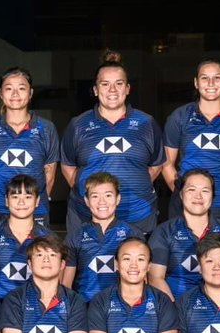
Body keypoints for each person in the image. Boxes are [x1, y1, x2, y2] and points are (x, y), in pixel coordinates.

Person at [60, 52, 164, 239]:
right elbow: (68, 166)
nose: (112, 90)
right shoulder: (78, 125)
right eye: (105, 84)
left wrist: (134, 182)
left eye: (119, 84)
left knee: (134, 268)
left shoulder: (146, 123)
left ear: (128, 88)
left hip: (137, 217)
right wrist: (92, 193)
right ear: (95, 90)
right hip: (87, 217)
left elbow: (156, 164)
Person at [162, 59, 220, 228]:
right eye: (205, 78)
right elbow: (167, 163)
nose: (211, 83)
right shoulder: (180, 116)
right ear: (196, 83)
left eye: (217, 78)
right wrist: (182, 193)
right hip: (186, 209)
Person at [0, 67, 60, 227]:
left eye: (21, 88)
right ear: (1, 93)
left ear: (30, 93)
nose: (15, 94)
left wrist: (31, 205)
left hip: (36, 212)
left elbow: (49, 177)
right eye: (9, 89)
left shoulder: (46, 128)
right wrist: (0, 205)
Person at [148, 168, 220, 300]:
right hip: (175, 308)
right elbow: (155, 279)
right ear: (181, 195)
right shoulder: (164, 232)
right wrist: (176, 311)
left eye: (205, 191)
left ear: (213, 196)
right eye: (191, 190)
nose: (198, 196)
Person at [63, 172, 140, 302]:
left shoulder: (132, 234)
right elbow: (66, 283)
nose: (102, 202)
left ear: (118, 199)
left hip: (122, 308)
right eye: (95, 196)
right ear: (87, 201)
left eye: (108, 195)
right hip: (85, 307)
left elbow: (142, 279)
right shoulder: (75, 236)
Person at [0, 174, 53, 299]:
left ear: (37, 201)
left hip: (35, 311)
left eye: (28, 197)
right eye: (15, 196)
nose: (21, 202)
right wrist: (0, 311)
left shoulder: (48, 238)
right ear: (6, 200)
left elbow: (52, 283)